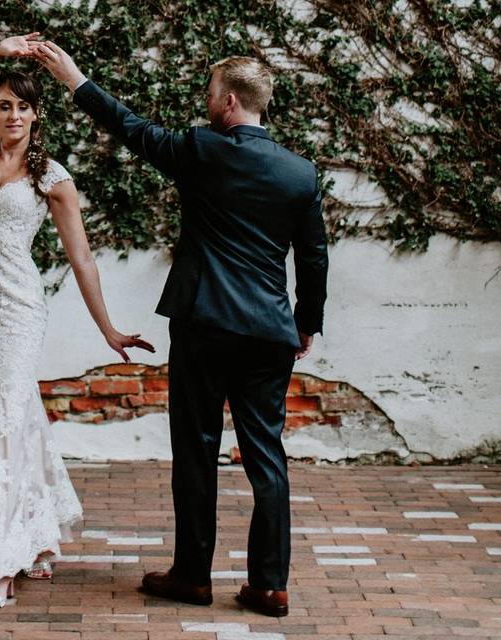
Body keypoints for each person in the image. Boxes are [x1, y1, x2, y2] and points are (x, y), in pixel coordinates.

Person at [33, 43, 328, 617]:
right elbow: (314, 259)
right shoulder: (300, 173)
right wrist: (306, 322)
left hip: (205, 323)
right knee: (267, 455)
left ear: (231, 101)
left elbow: (130, 127)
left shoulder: (201, 149)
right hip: (269, 330)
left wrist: (75, 78)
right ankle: (269, 585)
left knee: (196, 451)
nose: (207, 102)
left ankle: (192, 575)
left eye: (212, 93)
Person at [0, 33, 155, 611]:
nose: (12, 114)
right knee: (1, 421)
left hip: (15, 313)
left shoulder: (52, 178)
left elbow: (81, 257)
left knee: (5, 424)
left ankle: (0, 565)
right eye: (3, 104)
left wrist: (107, 329)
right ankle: (39, 537)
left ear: (37, 114)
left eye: (22, 106)